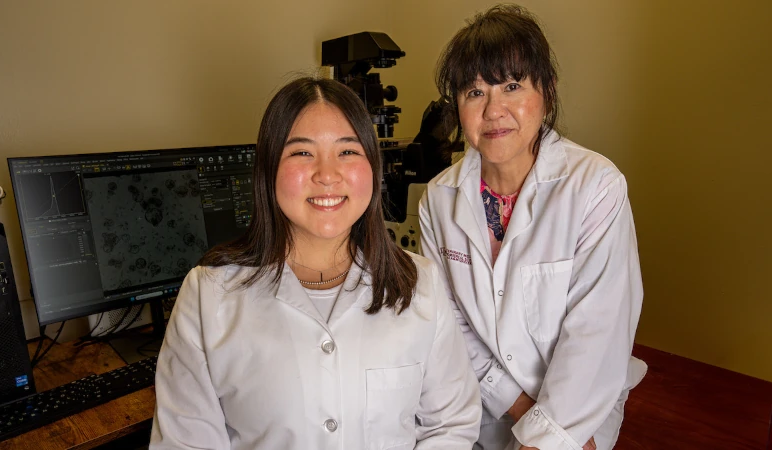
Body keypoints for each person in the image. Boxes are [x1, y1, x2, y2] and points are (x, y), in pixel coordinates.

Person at [150, 77, 481, 449]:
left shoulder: (420, 284)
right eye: (302, 153)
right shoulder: (207, 296)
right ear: (268, 169)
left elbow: (451, 426)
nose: (327, 174)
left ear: (373, 166)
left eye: (348, 151)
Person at [418, 5, 647, 450]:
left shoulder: (595, 186)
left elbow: (597, 330)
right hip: (482, 402)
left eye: (512, 85)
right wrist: (519, 407)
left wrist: (554, 434)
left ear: (548, 91)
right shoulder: (439, 200)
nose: (493, 110)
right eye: (473, 92)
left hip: (580, 409)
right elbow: (451, 327)